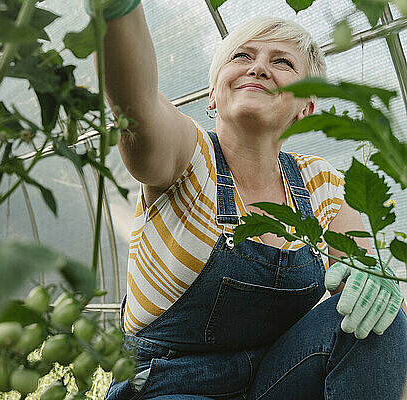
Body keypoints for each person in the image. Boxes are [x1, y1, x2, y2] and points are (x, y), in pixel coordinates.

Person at [85, 1, 407, 399]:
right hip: (169, 386)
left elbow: (364, 276)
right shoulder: (189, 156)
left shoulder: (319, 183)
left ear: (304, 109)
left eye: (282, 63)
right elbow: (136, 107)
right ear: (213, 96)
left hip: (272, 381)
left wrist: (376, 274)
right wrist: (115, 8)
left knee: (378, 318)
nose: (258, 67)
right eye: (242, 56)